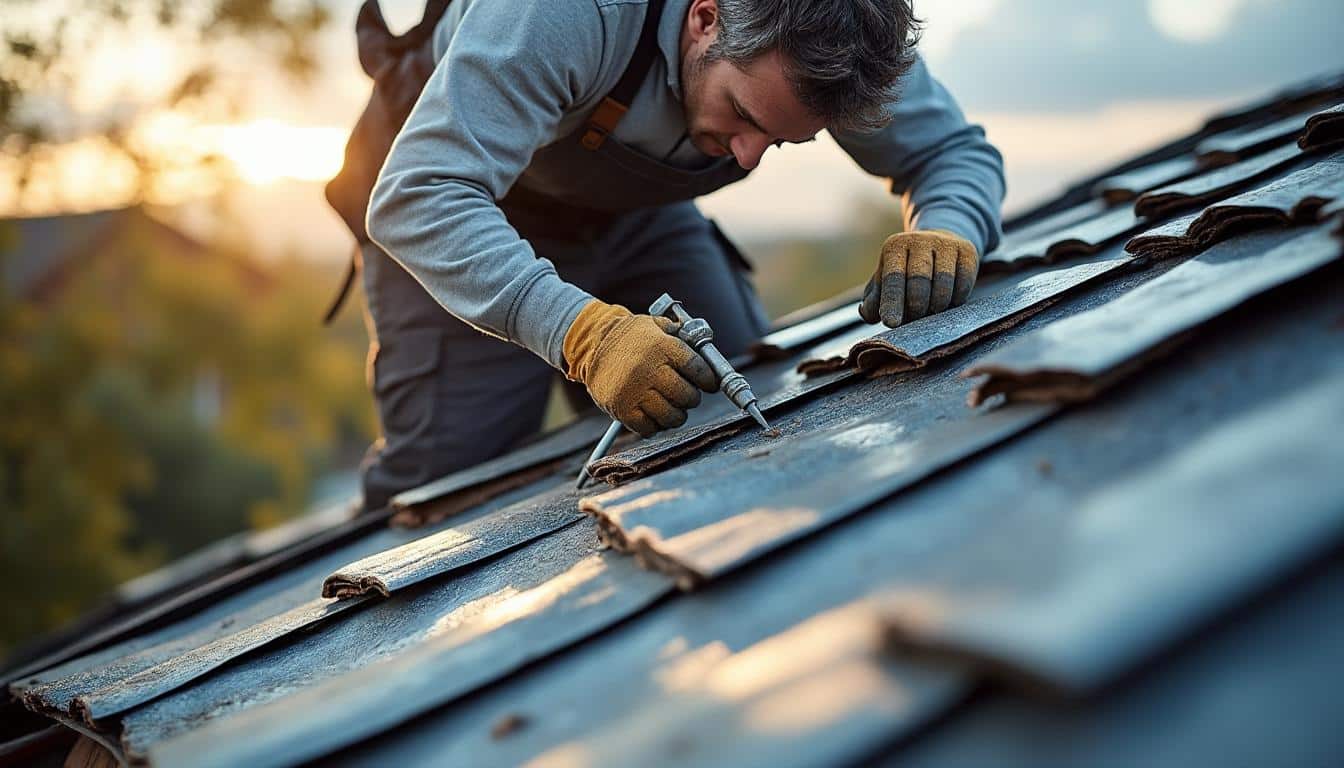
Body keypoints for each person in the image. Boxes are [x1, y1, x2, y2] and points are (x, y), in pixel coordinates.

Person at [330, 0, 1005, 512]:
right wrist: (582, 332)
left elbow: (951, 153)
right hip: (464, 217)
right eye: (744, 115)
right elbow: (420, 195)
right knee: (450, 493)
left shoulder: (847, 39)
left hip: (637, 220)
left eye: (781, 143)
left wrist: (949, 228)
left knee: (735, 405)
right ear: (706, 18)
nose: (746, 157)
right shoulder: (565, 14)